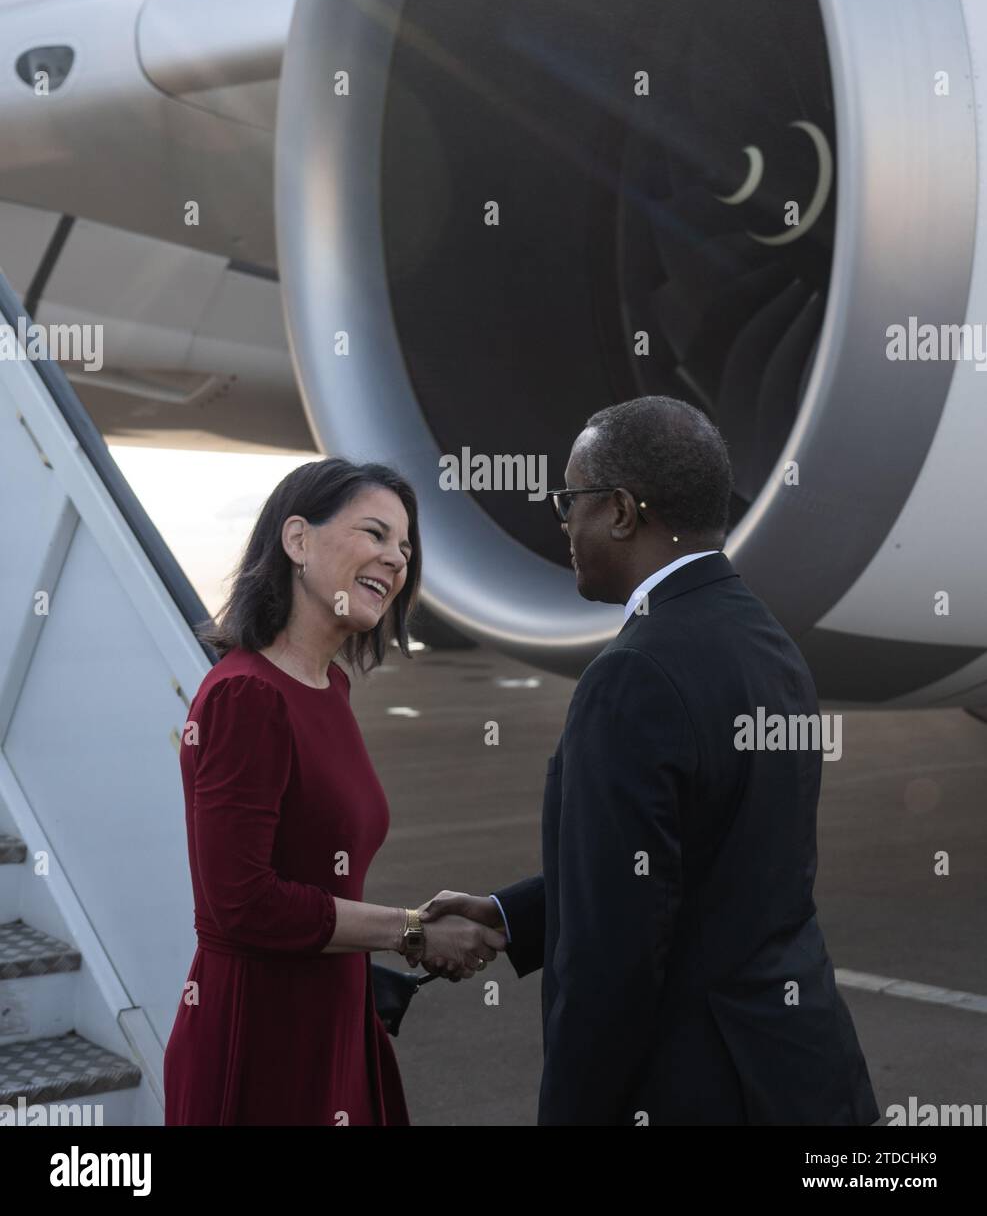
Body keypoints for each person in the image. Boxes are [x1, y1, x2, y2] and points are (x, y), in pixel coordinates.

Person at [421, 396, 879, 1126]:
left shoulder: (634, 673)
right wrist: (514, 914)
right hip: (801, 1070)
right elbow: (703, 858)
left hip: (698, 1087)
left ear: (622, 513)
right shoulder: (767, 644)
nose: (564, 523)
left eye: (570, 501)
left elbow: (614, 956)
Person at [163, 458, 504, 1126]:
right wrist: (408, 930)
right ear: (297, 541)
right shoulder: (246, 696)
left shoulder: (328, 686)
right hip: (262, 1035)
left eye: (404, 547)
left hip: (331, 1015)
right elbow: (242, 906)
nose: (396, 559)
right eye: (374, 533)